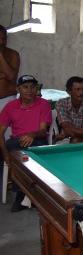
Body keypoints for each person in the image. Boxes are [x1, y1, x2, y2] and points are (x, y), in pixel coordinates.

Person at [0, 75, 51, 212]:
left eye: (33, 87)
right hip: (17, 141)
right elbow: (0, 132)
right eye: (25, 87)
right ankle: (26, 194)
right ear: (18, 89)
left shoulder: (43, 104)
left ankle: (22, 195)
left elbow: (42, 130)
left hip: (38, 139)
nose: (29, 90)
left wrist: (31, 135)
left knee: (27, 152)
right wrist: (6, 155)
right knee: (18, 150)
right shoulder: (10, 106)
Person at [55, 77, 83, 143]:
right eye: (78, 89)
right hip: (65, 138)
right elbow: (66, 128)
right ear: (69, 91)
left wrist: (69, 132)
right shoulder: (61, 103)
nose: (81, 92)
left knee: (75, 140)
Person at [0, 25, 20, 138]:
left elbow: (11, 75)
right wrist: (4, 75)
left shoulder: (13, 54)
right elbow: (7, 75)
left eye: (4, 38)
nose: (2, 42)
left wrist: (0, 54)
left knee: (7, 136)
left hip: (7, 100)